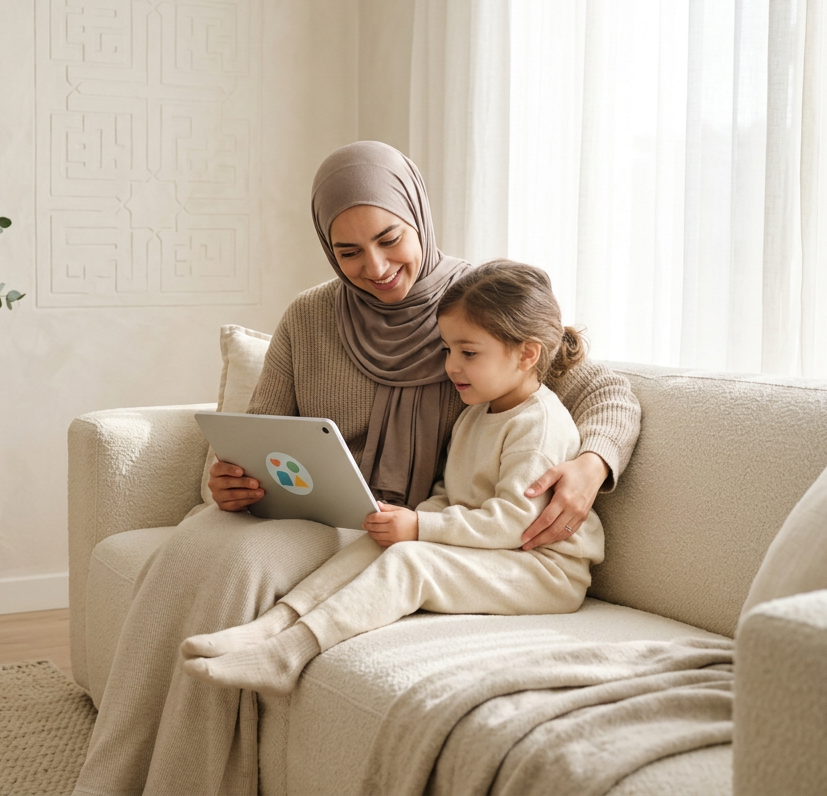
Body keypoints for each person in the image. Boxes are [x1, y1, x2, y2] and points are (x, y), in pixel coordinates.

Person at [72, 142, 639, 796]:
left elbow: (604, 390)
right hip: (324, 512)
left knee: (239, 566)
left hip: (409, 524)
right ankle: (113, 779)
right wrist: (226, 482)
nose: (375, 267)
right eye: (348, 252)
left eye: (390, 239)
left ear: (418, 216)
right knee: (193, 548)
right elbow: (258, 433)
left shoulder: (475, 308)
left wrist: (593, 462)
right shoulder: (309, 317)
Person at [180, 260, 604, 696]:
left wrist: (421, 528)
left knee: (409, 561)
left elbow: (515, 522)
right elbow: (450, 494)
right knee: (380, 540)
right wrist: (408, 522)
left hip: (544, 571)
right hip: (497, 552)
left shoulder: (538, 426)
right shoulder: (477, 412)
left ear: (527, 354)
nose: (451, 366)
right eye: (447, 350)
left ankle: (287, 655)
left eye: (468, 353)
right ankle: (271, 626)